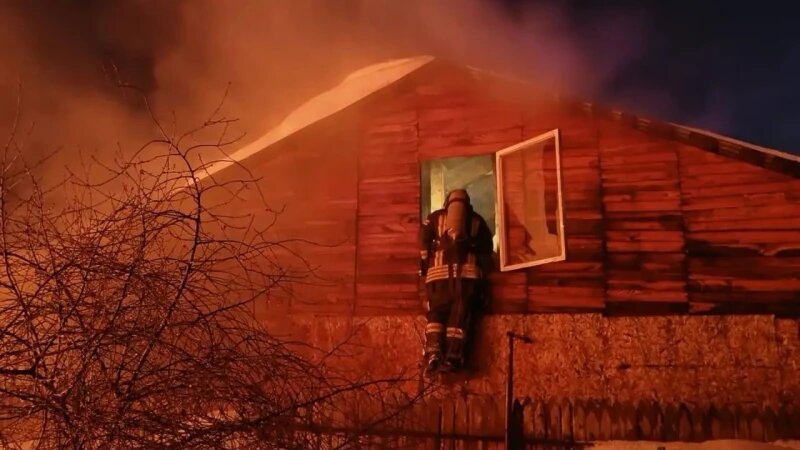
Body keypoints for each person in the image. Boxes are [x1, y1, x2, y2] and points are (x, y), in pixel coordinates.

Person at [418, 189, 493, 377]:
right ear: (468, 205)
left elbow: (423, 241)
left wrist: (425, 267)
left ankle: (434, 352)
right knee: (458, 319)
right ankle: (452, 356)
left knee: (435, 316)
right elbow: (486, 252)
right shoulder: (478, 221)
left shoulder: (434, 218)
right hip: (466, 279)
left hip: (437, 279)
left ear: (446, 203)